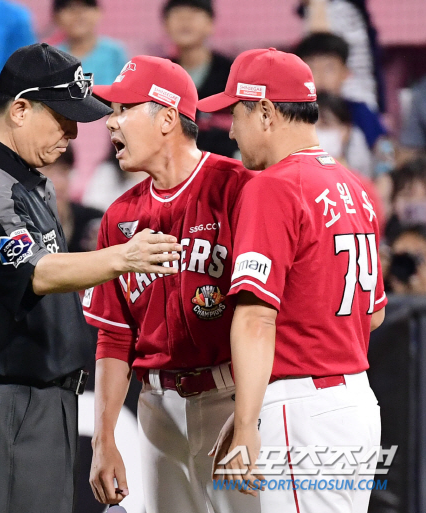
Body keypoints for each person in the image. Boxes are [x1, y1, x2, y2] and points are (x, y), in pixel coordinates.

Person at [0, 43, 182, 513]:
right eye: (62, 117)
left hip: (39, 403)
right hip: (11, 405)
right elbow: (38, 271)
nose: (73, 133)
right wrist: (123, 257)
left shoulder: (28, 180)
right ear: (19, 109)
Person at [197, 48, 386, 513]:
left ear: (264, 111)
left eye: (235, 113)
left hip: (303, 407)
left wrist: (247, 421)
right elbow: (375, 312)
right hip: (355, 402)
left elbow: (256, 320)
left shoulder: (273, 185)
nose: (232, 130)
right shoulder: (356, 186)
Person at [83, 55, 259, 513]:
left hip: (231, 400)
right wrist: (104, 439)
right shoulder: (119, 215)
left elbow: (265, 314)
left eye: (123, 109)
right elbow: (114, 335)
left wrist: (251, 418)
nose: (110, 122)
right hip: (157, 408)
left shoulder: (237, 189)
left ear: (166, 117)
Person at [162, 0, 237, 157]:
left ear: (211, 24)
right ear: (165, 25)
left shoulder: (232, 72)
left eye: (194, 14)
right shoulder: (157, 73)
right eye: (177, 15)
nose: (185, 21)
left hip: (226, 161)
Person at [294, 32, 386, 151]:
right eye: (312, 68)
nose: (320, 76)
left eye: (329, 68)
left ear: (345, 73)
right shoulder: (292, 114)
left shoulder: (359, 112)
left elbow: (384, 149)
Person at [39, 145, 103, 252]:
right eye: (48, 170)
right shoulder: (17, 225)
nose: (59, 183)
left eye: (63, 171)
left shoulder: (92, 222)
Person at [54, 0, 128, 86]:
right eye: (69, 7)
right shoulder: (51, 58)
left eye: (86, 6)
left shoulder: (114, 53)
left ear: (98, 12)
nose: (78, 13)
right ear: (56, 16)